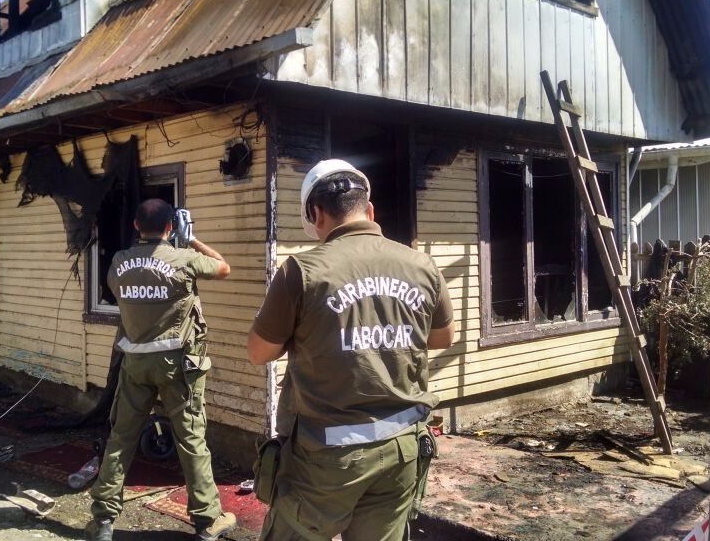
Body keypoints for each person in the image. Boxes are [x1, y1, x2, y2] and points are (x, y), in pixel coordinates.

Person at [247, 159, 455, 541]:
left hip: (326, 459)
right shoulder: (422, 264)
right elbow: (442, 337)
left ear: (315, 213)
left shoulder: (301, 271)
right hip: (402, 447)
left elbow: (260, 352)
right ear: (369, 209)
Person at [86, 198, 237, 541]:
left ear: (136, 226)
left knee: (121, 438)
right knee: (191, 439)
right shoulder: (184, 258)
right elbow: (224, 267)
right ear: (171, 227)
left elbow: (120, 294)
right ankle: (207, 521)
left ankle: (102, 521)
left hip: (135, 362)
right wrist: (191, 239)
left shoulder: (119, 262)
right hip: (179, 367)